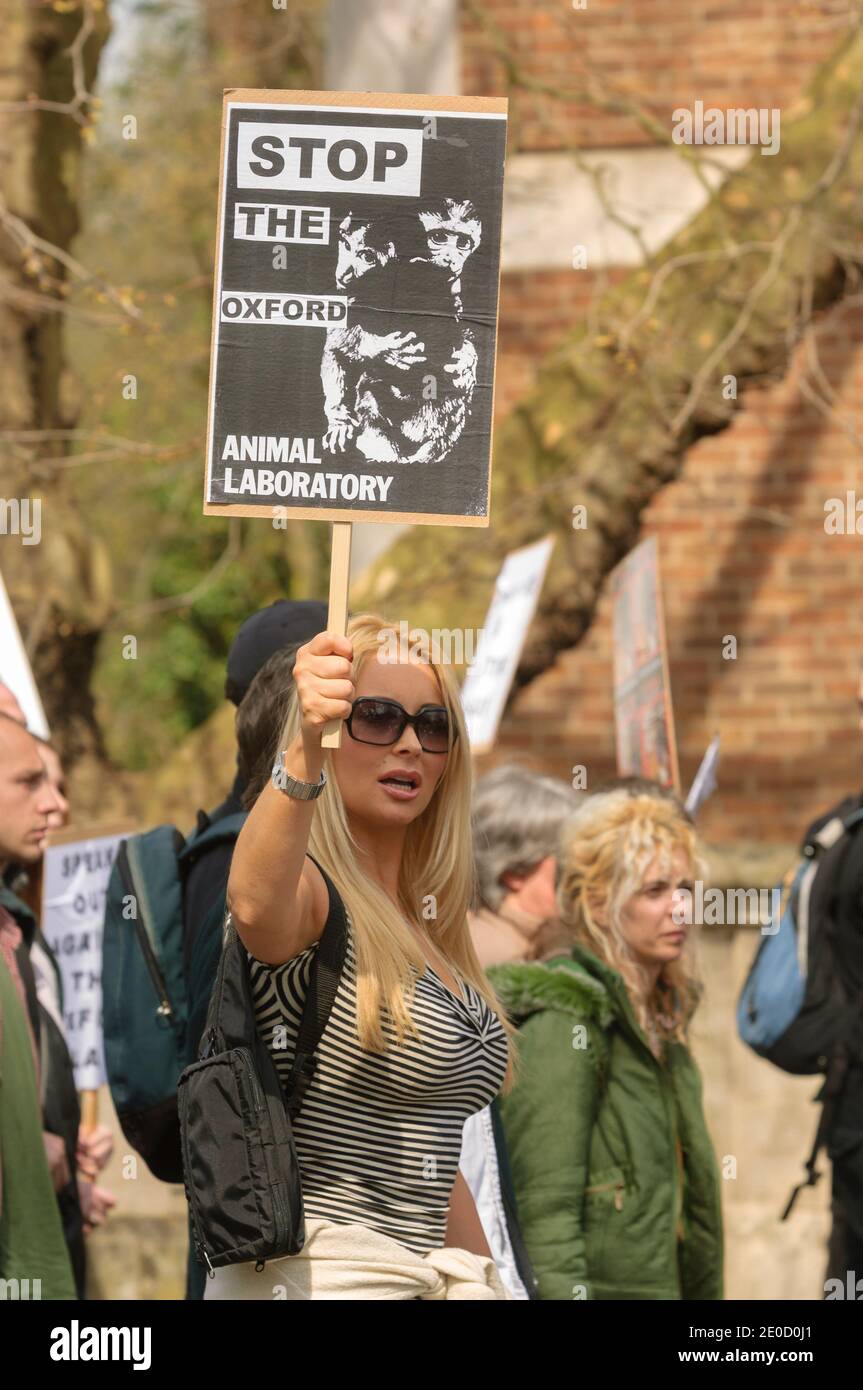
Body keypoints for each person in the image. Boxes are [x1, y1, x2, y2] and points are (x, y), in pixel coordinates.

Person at [207, 617, 515, 1299]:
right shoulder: (312, 896)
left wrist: (490, 1284)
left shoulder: (428, 922)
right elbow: (255, 903)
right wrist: (301, 752)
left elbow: (433, 1150)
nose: (409, 743)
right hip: (319, 1278)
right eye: (374, 717)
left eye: (432, 726)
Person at [488, 786, 724, 1299]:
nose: (680, 909)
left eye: (686, 888)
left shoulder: (662, 1020)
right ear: (597, 899)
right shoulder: (567, 1015)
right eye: (655, 890)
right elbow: (544, 1210)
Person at [458, 763, 583, 1300]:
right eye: (570, 871)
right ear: (515, 874)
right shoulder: (497, 977)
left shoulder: (518, 957)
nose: (584, 887)